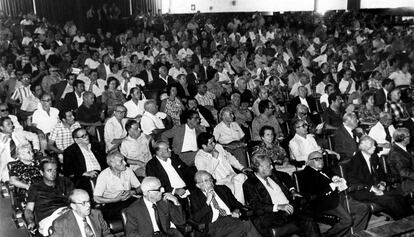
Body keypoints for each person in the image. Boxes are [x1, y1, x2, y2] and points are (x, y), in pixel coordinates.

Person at [243, 153, 320, 237]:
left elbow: (286, 176)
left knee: (308, 210)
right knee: (306, 217)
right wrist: (278, 206)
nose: (272, 167)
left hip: (289, 207)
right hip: (273, 214)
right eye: (269, 165)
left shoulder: (273, 174)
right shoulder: (249, 184)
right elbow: (256, 205)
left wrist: (292, 190)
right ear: (260, 167)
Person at [300, 151, 370, 236]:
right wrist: (332, 185)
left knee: (363, 208)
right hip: (324, 202)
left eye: (321, 158)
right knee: (346, 221)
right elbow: (313, 193)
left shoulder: (324, 169)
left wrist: (335, 178)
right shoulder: (305, 174)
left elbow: (331, 174)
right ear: (309, 162)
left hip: (338, 197)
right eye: (316, 159)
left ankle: (353, 234)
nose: (320, 161)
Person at [347, 135, 413, 220]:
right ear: (363, 147)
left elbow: (381, 174)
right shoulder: (355, 161)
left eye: (374, 144)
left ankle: (410, 222)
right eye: (372, 145)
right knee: (392, 201)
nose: (375, 147)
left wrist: (382, 182)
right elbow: (353, 180)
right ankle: (404, 224)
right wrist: (372, 188)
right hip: (363, 190)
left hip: (377, 187)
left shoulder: (374, 157)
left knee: (400, 196)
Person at [190, 170, 261, 237]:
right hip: (213, 224)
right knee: (246, 225)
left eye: (210, 179)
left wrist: (237, 210)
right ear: (198, 185)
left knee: (245, 225)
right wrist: (208, 201)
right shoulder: (194, 197)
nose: (210, 182)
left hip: (230, 218)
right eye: (205, 180)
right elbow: (196, 218)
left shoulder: (222, 189)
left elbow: (236, 204)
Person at [195, 132, 249, 204]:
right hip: (220, 182)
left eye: (214, 141)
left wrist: (241, 168)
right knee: (234, 188)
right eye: (211, 143)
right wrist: (214, 159)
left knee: (242, 177)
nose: (214, 144)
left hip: (232, 176)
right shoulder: (199, 158)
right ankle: (241, 206)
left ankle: (239, 206)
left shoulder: (218, 147)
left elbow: (230, 158)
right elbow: (205, 176)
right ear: (204, 146)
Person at [25, 158, 74, 236]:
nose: (53, 173)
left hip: (67, 213)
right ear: (42, 172)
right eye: (49, 170)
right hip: (48, 218)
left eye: (55, 170)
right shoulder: (35, 188)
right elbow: (29, 209)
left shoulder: (64, 181)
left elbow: (74, 199)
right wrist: (30, 221)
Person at [93, 151, 141, 221]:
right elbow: (96, 198)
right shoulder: (104, 175)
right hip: (112, 204)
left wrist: (132, 192)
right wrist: (116, 199)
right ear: (112, 164)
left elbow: (140, 187)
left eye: (124, 160)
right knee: (132, 212)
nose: (125, 163)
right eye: (121, 161)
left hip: (128, 200)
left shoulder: (128, 171)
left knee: (144, 206)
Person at [63, 128, 106, 194]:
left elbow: (104, 162)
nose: (87, 137)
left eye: (87, 134)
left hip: (102, 173)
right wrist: (84, 173)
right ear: (76, 140)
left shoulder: (96, 146)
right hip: (86, 178)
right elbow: (67, 171)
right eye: (83, 136)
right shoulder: (70, 151)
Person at [0, 116, 40, 182]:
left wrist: (36, 149)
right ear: (1, 128)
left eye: (11, 123)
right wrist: (2, 144)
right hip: (8, 167)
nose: (12, 125)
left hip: (25, 162)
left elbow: (34, 136)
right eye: (8, 124)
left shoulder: (18, 133)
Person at [388, 128, 414, 195]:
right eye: (408, 136)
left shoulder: (403, 148)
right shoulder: (395, 153)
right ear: (403, 139)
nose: (410, 137)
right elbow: (403, 172)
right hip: (404, 182)